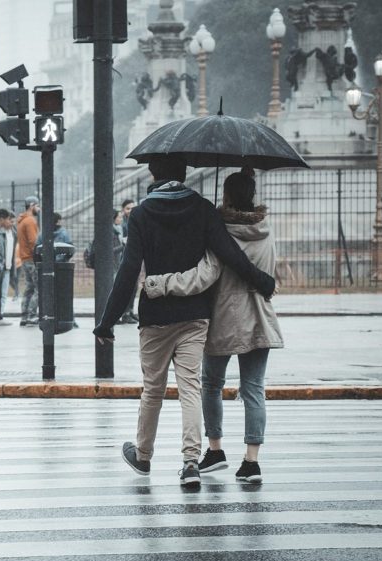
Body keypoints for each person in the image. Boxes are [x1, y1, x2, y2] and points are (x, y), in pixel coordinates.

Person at [93, 155, 275, 488]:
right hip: (195, 315)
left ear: (152, 173)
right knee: (190, 388)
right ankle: (191, 463)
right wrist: (260, 279)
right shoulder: (203, 209)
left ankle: (143, 455)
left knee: (153, 389)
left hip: (155, 316)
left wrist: (107, 321)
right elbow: (228, 253)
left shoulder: (142, 214)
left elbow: (128, 270)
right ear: (185, 172)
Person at [144, 168, 284, 484]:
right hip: (260, 317)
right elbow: (270, 270)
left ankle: (216, 449)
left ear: (228, 196)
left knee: (210, 385)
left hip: (224, 315)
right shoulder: (266, 228)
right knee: (254, 390)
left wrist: (163, 284)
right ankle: (251, 461)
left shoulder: (221, 231)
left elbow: (206, 274)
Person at [17, 196, 40, 327]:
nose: (39, 209)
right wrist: (38, 256)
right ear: (32, 205)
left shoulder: (21, 221)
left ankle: (24, 315)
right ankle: (32, 315)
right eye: (37, 206)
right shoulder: (30, 221)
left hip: (24, 259)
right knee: (39, 288)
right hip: (32, 259)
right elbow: (33, 242)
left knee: (29, 288)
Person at [121, 199, 138, 324]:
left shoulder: (135, 220)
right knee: (127, 286)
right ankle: (126, 313)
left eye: (132, 208)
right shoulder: (122, 224)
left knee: (134, 286)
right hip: (125, 258)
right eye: (128, 208)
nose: (130, 210)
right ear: (123, 210)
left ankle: (130, 311)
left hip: (134, 256)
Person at [1, 210, 17, 314]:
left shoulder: (14, 233)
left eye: (14, 222)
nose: (13, 224)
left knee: (4, 293)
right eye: (11, 221)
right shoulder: (0, 232)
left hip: (8, 266)